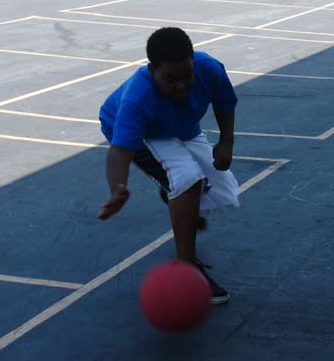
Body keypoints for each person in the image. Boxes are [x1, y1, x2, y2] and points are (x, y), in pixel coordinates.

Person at [98, 27, 239, 305]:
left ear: (193, 62)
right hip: (145, 133)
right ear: (152, 70)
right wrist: (117, 187)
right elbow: (120, 150)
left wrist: (226, 142)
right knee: (187, 180)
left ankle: (172, 192)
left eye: (186, 76)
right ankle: (188, 269)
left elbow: (225, 102)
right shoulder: (137, 99)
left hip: (181, 125)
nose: (181, 85)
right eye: (170, 79)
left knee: (221, 190)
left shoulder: (210, 68)